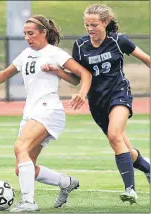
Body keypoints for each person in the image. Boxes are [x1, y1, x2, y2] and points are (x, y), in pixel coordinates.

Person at [0, 15, 92, 212]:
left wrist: (80, 92)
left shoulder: (55, 53)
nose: (27, 37)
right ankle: (66, 182)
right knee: (22, 169)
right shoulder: (26, 54)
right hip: (31, 111)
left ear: (44, 32)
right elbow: (5, 73)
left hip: (49, 109)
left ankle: (29, 202)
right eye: (25, 34)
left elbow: (82, 75)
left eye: (31, 33)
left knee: (20, 147)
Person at [41, 4, 150, 205]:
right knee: (122, 146)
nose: (90, 29)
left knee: (115, 135)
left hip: (119, 94)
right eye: (87, 25)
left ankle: (131, 190)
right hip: (97, 103)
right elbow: (77, 79)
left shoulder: (119, 41)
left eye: (94, 24)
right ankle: (147, 168)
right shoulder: (81, 46)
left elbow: (146, 59)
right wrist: (57, 71)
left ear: (105, 22)